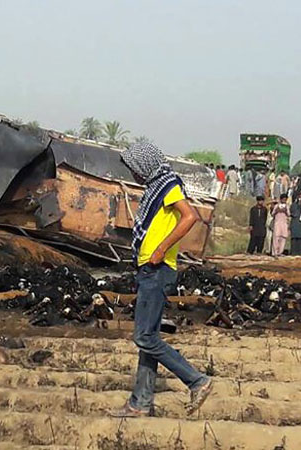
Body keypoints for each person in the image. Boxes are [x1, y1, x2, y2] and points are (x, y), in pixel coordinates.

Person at [111, 142, 212, 418]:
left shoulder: (168, 185)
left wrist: (160, 248)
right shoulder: (155, 187)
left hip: (158, 269)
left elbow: (190, 216)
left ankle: (196, 380)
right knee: (149, 338)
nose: (133, 174)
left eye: (134, 168)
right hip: (149, 269)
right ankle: (140, 403)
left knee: (143, 338)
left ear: (144, 166)